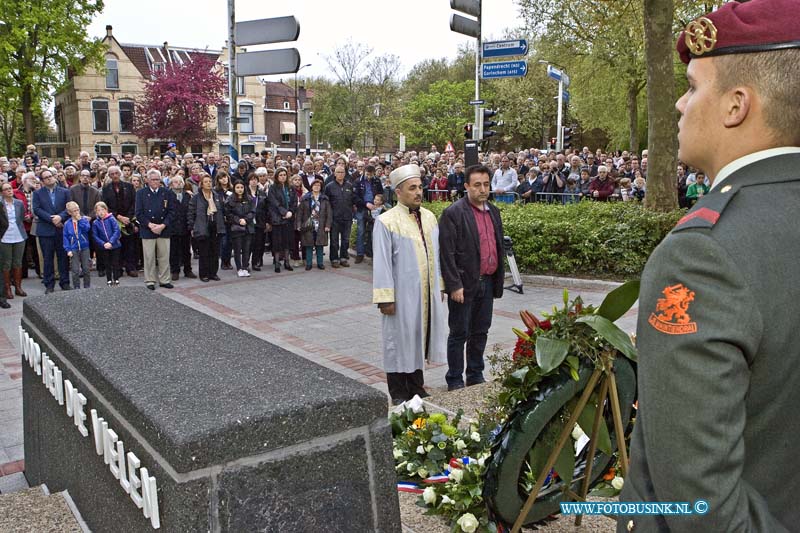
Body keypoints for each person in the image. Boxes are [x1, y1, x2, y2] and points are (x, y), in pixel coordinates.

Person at [619, 1, 800, 531]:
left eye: (694, 86)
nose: (678, 103)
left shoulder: (702, 257)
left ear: (736, 105)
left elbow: (703, 509)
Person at [372, 164, 447, 404]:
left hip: (424, 291)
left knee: (417, 337)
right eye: (412, 188)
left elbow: (436, 254)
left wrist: (440, 285)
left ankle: (416, 386)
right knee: (398, 341)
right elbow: (382, 263)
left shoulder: (429, 217)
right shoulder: (386, 221)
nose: (418, 192)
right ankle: (398, 392)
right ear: (398, 192)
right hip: (399, 294)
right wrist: (385, 297)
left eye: (420, 187)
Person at [438, 165, 504, 390]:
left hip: (487, 282)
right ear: (466, 186)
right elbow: (447, 253)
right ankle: (455, 379)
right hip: (464, 286)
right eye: (477, 185)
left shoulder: (494, 212)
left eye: (486, 184)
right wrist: (453, 285)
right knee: (459, 333)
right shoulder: (453, 213)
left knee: (480, 331)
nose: (483, 189)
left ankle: (475, 374)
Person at [32, 168, 71, 293]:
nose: (49, 178)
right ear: (42, 181)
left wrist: (61, 217)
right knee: (48, 259)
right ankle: (49, 284)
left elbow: (69, 207)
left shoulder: (65, 192)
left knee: (63, 258)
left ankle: (64, 282)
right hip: (45, 230)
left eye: (51, 176)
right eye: (46, 177)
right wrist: (51, 219)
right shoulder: (38, 193)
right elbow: (37, 209)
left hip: (61, 230)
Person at [135, 169, 175, 290]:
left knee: (164, 256)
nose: (155, 182)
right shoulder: (141, 193)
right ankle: (150, 280)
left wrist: (163, 225)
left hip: (164, 229)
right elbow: (139, 213)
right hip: (148, 230)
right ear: (147, 180)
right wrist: (150, 225)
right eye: (152, 179)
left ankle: (164, 279)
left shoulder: (166, 192)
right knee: (149, 257)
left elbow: (172, 212)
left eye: (157, 179)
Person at [102, 166, 138, 278]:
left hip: (128, 219)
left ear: (120, 173)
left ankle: (130, 268)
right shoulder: (106, 189)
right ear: (109, 175)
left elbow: (134, 203)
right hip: (114, 220)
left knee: (130, 245)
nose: (115, 175)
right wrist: (118, 217)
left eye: (116, 173)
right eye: (112, 174)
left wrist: (127, 217)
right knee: (117, 245)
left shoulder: (129, 186)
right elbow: (105, 206)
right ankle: (118, 268)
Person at [188, 174, 225, 282]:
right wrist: (192, 227)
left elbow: (221, 211)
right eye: (206, 182)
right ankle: (204, 274)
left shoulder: (216, 195)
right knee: (204, 252)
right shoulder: (196, 197)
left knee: (215, 251)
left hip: (215, 225)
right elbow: (191, 213)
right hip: (202, 226)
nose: (209, 183)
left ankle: (213, 273)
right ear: (201, 184)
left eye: (210, 181)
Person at [324, 165, 357, 268]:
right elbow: (326, 203)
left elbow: (353, 201)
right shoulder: (329, 186)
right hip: (334, 218)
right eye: (338, 172)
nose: (340, 174)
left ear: (345, 173)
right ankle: (334, 259)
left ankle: (343, 258)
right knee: (334, 241)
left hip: (347, 217)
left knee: (345, 239)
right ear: (334, 173)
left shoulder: (349, 186)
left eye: (342, 172)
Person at [295, 179, 332, 270]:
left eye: (318, 185)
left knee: (320, 245)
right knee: (309, 245)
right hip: (308, 224)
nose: (316, 187)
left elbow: (329, 213)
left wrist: (328, 225)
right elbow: (300, 213)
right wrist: (299, 224)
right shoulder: (305, 198)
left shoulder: (324, 199)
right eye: (315, 185)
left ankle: (320, 263)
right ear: (311, 187)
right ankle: (309, 263)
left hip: (321, 225)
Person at [267, 168, 297, 273]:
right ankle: (276, 263)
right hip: (277, 219)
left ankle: (287, 262)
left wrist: (291, 212)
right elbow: (274, 203)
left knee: (287, 242)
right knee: (277, 243)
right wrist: (284, 213)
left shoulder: (291, 188)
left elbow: (294, 201)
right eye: (280, 175)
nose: (283, 176)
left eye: (284, 175)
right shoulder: (273, 188)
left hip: (289, 219)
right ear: (276, 176)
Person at [1, 182, 27, 299]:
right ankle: (7, 288)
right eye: (6, 189)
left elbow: (21, 218)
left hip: (19, 235)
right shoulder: (0, 204)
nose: (9, 191)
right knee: (6, 263)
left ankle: (18, 287)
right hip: (5, 236)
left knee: (18, 262)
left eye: (10, 188)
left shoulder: (19, 203)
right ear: (2, 192)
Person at [353, 164, 383, 263]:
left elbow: (381, 193)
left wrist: (378, 204)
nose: (369, 177)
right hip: (362, 208)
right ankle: (360, 254)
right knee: (361, 231)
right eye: (367, 174)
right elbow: (355, 197)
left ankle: (374, 253)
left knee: (374, 232)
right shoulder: (358, 181)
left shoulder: (377, 181)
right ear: (364, 172)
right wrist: (366, 204)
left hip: (375, 208)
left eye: (371, 175)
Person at [167, 176, 196, 281]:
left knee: (186, 250)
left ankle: (188, 270)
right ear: (171, 184)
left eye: (180, 182)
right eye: (175, 182)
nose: (178, 184)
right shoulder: (167, 195)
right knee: (174, 250)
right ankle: (175, 271)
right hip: (173, 227)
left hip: (185, 227)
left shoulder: (188, 195)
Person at [225, 180, 255, 277]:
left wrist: (246, 219)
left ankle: (245, 267)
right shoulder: (230, 200)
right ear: (234, 188)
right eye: (237, 187)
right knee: (237, 249)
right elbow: (228, 214)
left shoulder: (249, 199)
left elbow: (252, 211)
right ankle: (239, 268)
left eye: (241, 187)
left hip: (248, 227)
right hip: (236, 228)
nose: (240, 189)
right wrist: (238, 220)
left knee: (247, 249)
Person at [62, 201, 91, 289]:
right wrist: (68, 249)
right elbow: (65, 237)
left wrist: (80, 220)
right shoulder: (67, 224)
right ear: (69, 212)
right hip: (73, 248)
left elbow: (87, 229)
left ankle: (87, 286)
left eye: (77, 210)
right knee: (75, 270)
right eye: (74, 211)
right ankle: (76, 287)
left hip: (84, 247)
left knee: (86, 268)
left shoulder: (84, 220)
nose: (77, 212)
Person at [91, 202, 121, 286]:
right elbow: (95, 235)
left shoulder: (111, 219)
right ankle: (109, 279)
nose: (101, 212)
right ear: (96, 212)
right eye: (98, 210)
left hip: (115, 245)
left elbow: (116, 231)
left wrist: (111, 242)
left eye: (102, 209)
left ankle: (116, 278)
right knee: (107, 263)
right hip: (104, 247)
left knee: (115, 263)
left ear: (106, 210)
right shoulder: (95, 223)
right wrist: (103, 244)